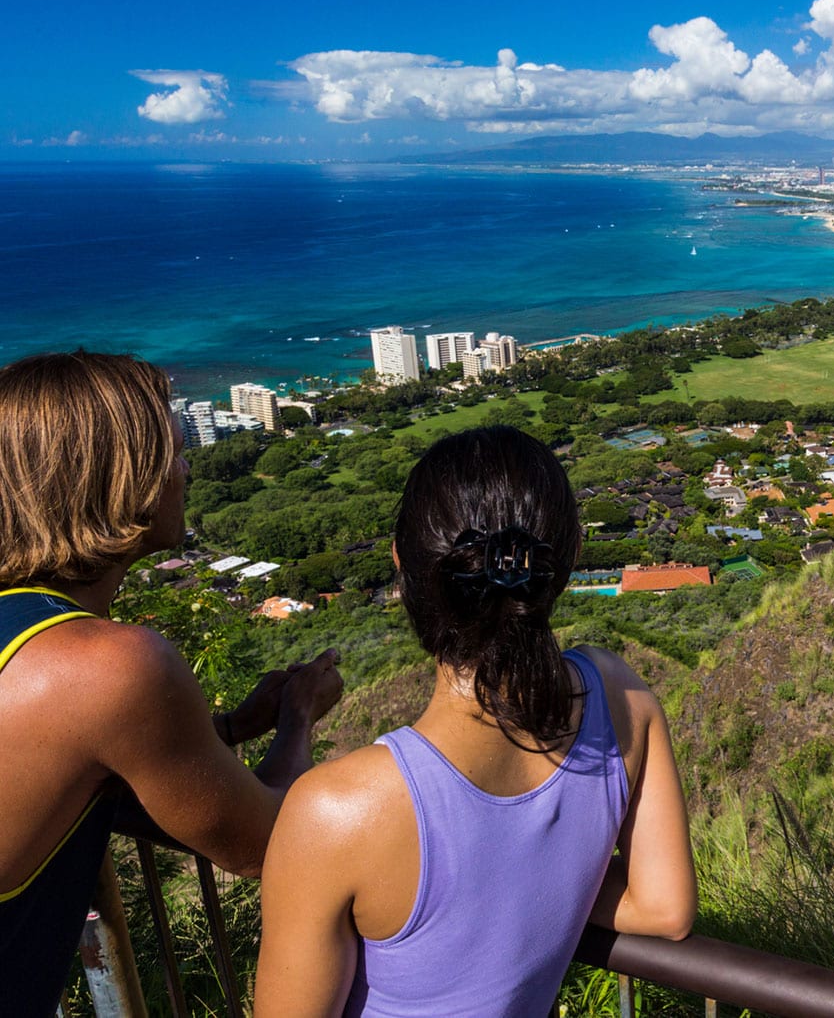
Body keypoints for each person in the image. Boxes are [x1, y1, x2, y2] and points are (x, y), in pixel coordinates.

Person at [255, 426, 696, 1017]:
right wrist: (547, 871)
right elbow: (664, 909)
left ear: (402, 563)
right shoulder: (621, 697)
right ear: (564, 560)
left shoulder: (336, 811)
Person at [0, 351, 344, 1017]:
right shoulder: (109, 665)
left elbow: (73, 768)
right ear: (117, 481)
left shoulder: (27, 634)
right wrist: (301, 714)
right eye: (173, 454)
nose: (185, 472)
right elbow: (268, 845)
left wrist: (235, 728)